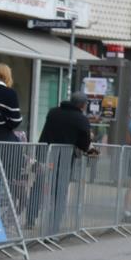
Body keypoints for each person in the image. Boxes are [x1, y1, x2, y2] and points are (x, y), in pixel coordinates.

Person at [28, 93, 96, 231]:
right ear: (82, 105)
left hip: (45, 155)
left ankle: (30, 218)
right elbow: (84, 143)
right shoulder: (81, 119)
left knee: (39, 186)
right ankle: (53, 225)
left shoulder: (53, 113)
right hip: (63, 160)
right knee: (60, 192)